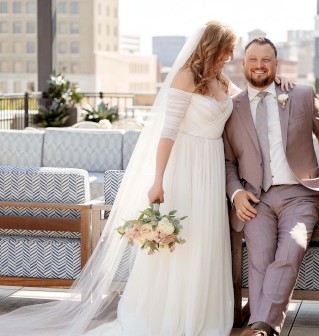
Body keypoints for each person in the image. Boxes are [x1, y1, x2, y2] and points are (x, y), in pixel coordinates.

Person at [0, 22, 292, 336]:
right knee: (184, 241)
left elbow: (249, 97)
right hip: (186, 165)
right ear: (212, 47)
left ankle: (202, 314)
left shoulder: (221, 79)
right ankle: (169, 315)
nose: (232, 55)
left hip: (211, 167)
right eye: (227, 49)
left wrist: (275, 81)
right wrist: (158, 180)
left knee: (206, 240)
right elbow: (167, 133)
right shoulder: (185, 77)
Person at [223, 37, 319, 336]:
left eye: (266, 60)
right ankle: (263, 330)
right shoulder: (231, 107)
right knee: (261, 259)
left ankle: (260, 326)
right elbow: (226, 162)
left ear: (276, 65)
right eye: (253, 59)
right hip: (255, 199)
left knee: (292, 247)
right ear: (243, 64)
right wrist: (236, 193)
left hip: (300, 195)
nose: (259, 65)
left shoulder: (300, 94)